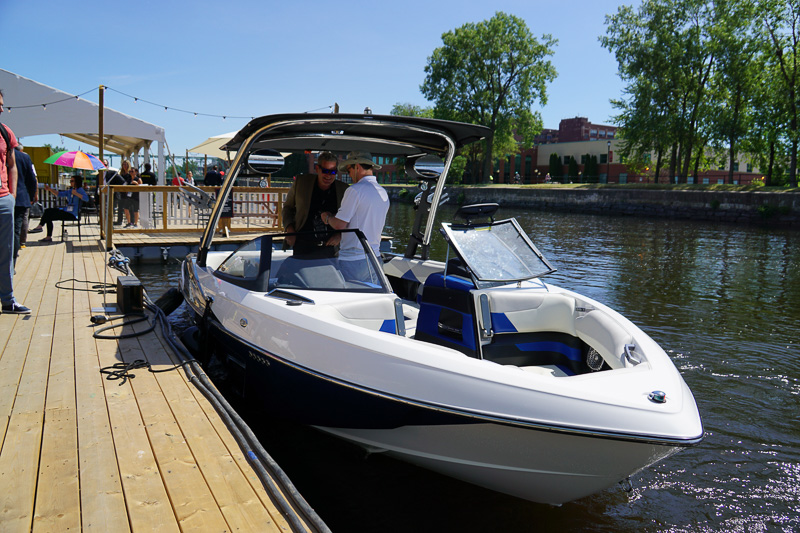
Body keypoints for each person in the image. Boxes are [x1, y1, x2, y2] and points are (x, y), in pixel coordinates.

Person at [321, 150, 389, 281]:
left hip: (353, 260)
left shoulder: (354, 190)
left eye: (349, 170)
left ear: (357, 167)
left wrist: (327, 218)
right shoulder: (383, 192)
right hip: (375, 258)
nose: (349, 175)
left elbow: (340, 225)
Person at [282, 151, 349, 258]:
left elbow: (350, 218)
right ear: (317, 169)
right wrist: (290, 229)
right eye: (325, 171)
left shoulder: (344, 189)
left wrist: (340, 235)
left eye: (332, 172)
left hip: (331, 247)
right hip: (302, 244)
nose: (328, 175)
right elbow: (287, 208)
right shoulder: (301, 182)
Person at [0, 89, 31, 313]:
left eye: (2, 104)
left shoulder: (5, 132)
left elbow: (11, 164)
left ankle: (8, 300)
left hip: (3, 200)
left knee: (7, 252)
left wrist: (11, 195)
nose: (2, 108)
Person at [29, 175, 89, 242]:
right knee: (48, 212)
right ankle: (44, 231)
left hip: (73, 214)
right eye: (70, 181)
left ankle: (42, 229)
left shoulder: (80, 190)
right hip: (66, 210)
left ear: (76, 182)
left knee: (48, 214)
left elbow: (86, 199)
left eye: (72, 181)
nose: (70, 182)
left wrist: (76, 194)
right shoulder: (70, 190)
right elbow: (59, 194)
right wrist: (49, 189)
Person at [13, 144, 37, 264]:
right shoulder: (24, 158)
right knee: (16, 230)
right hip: (20, 199)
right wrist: (31, 196)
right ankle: (12, 262)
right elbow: (32, 180)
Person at [103, 159, 126, 225]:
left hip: (111, 195)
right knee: (103, 211)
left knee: (110, 211)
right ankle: (104, 224)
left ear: (108, 166)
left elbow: (123, 182)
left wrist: (116, 189)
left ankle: (109, 226)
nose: (104, 166)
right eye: (102, 164)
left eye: (105, 164)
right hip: (102, 195)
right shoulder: (99, 175)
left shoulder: (112, 173)